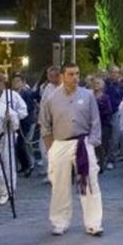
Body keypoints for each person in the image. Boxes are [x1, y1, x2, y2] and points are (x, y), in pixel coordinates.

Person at [38, 63, 103, 236]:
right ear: (62, 76)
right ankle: (59, 221)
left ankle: (93, 222)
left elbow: (95, 121)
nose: (75, 77)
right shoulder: (51, 98)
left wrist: (92, 143)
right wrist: (50, 148)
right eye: (71, 74)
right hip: (60, 143)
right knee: (59, 184)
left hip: (82, 142)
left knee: (88, 182)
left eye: (77, 74)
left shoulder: (87, 96)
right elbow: (44, 124)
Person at [0, 77, 20, 208]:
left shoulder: (4, 106)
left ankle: (7, 192)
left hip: (3, 140)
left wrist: (9, 121)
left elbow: (15, 124)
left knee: (3, 168)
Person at [12, 74, 36, 177]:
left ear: (23, 82)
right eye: (14, 81)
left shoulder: (26, 94)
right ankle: (24, 165)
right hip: (17, 122)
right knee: (17, 144)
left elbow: (30, 109)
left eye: (18, 81)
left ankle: (29, 165)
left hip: (26, 122)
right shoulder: (12, 94)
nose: (16, 83)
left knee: (23, 144)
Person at [91, 78, 113, 172]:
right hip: (91, 124)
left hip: (103, 124)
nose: (96, 85)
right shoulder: (89, 96)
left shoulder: (105, 97)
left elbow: (109, 111)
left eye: (98, 83)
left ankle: (101, 163)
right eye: (95, 83)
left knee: (102, 144)